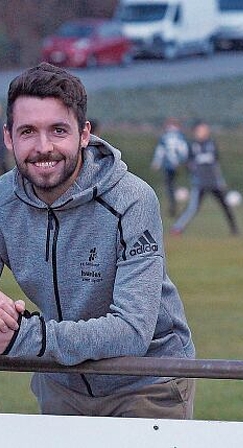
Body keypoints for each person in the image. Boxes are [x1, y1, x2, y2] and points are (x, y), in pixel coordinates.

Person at [0, 62, 196, 419]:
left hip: (144, 380)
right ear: (8, 137)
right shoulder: (1, 201)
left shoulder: (131, 199)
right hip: (61, 378)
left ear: (84, 134)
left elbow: (132, 331)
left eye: (58, 130)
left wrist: (22, 339)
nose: (44, 147)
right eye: (28, 131)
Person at [170, 120, 238, 236]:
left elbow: (216, 163)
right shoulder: (192, 146)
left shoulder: (211, 144)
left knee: (225, 205)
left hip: (214, 182)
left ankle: (234, 230)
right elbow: (188, 163)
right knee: (192, 208)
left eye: (205, 130)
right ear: (196, 132)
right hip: (200, 183)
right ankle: (177, 228)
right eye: (201, 130)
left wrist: (220, 180)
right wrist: (192, 171)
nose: (204, 132)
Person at [151, 117, 189, 217]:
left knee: (169, 186)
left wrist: (156, 163)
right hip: (178, 165)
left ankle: (173, 206)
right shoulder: (180, 136)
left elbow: (160, 151)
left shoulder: (165, 137)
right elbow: (184, 149)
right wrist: (183, 161)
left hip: (168, 165)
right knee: (173, 185)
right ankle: (175, 206)